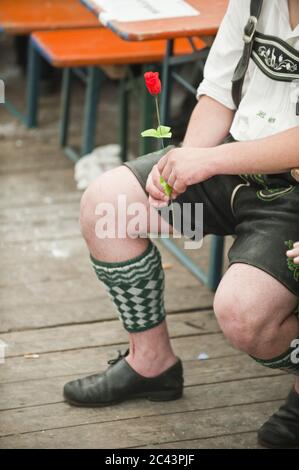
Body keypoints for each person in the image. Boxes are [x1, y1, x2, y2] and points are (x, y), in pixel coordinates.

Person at [63, 0, 299, 449]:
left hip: (292, 191)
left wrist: (207, 161)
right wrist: (185, 165)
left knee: (245, 317)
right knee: (107, 208)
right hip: (231, 164)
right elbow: (218, 93)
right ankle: (152, 362)